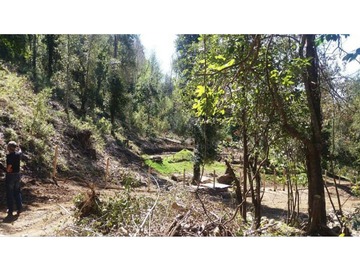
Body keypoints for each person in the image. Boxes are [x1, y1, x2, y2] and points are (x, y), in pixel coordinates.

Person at [0, 141, 23, 219]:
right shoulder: (18, 154)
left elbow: (9, 169)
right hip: (18, 175)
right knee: (17, 191)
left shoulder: (9, 156)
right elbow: (20, 151)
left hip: (11, 176)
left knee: (10, 193)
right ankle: (19, 208)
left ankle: (10, 210)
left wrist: (2, 167)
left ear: (9, 148)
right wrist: (19, 147)